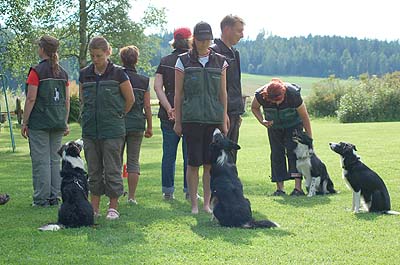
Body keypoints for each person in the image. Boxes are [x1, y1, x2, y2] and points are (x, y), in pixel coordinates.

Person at [174, 21, 228, 214]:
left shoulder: (220, 61)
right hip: (191, 119)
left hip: (213, 119)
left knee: (209, 164)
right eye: (200, 39)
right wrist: (178, 121)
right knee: (193, 162)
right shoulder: (182, 61)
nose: (204, 43)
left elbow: (223, 94)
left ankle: (206, 203)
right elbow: (178, 94)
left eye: (207, 39)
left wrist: (224, 119)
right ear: (193, 40)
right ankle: (194, 205)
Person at [79, 36, 134, 220]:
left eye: (99, 56)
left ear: (108, 53)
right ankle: (94, 208)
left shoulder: (118, 73)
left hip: (113, 131)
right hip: (90, 131)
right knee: (93, 170)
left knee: (112, 169)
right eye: (93, 56)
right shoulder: (84, 74)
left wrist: (118, 115)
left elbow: (130, 100)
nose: (96, 60)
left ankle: (113, 207)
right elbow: (82, 100)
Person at [21, 35, 70, 207]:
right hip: (57, 121)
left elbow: (31, 99)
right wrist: (64, 121)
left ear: (42, 49)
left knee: (41, 161)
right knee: (55, 161)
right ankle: (54, 197)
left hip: (40, 122)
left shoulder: (36, 71)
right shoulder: (63, 73)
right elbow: (66, 101)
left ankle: (41, 199)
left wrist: (24, 122)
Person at [251, 78, 312, 196]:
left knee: (294, 153)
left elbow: (304, 116)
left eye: (279, 100)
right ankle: (280, 189)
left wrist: (309, 137)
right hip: (274, 127)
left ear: (284, 92)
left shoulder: (293, 94)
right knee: (276, 154)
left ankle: (298, 189)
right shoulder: (260, 95)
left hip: (294, 125)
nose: (277, 103)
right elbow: (254, 108)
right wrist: (262, 121)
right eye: (274, 101)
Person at [154, 27, 192, 200]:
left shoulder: (165, 60)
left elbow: (157, 87)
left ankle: (168, 192)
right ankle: (189, 191)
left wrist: (169, 108)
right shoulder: (193, 60)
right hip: (190, 113)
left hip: (167, 114)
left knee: (168, 154)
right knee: (189, 154)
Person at [119, 45, 152, 205]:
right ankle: (132, 197)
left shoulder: (116, 77)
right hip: (138, 123)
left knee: (116, 161)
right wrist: (150, 127)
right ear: (136, 60)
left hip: (119, 123)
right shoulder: (144, 80)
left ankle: (116, 195)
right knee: (133, 160)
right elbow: (147, 106)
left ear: (121, 60)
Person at [210, 15, 245, 163]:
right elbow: (213, 87)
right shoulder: (213, 52)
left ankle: (231, 186)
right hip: (219, 113)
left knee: (231, 155)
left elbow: (235, 84)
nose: (242, 35)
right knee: (218, 156)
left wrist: (238, 112)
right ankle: (215, 187)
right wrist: (222, 113)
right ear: (226, 29)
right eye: (239, 31)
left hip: (234, 112)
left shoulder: (234, 53)